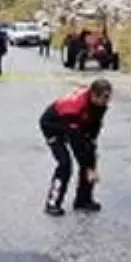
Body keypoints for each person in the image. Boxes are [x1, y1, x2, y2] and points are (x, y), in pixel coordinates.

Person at [39, 78, 112, 216]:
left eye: (108, 98)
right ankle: (52, 203)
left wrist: (91, 162)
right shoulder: (75, 108)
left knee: (89, 155)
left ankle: (83, 200)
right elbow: (77, 141)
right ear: (93, 95)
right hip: (53, 124)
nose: (107, 102)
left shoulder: (100, 104)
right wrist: (89, 167)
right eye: (104, 98)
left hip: (76, 124)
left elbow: (91, 135)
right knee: (65, 164)